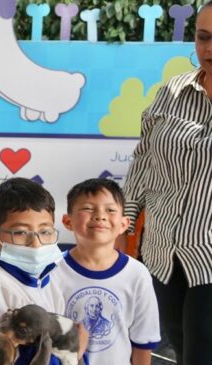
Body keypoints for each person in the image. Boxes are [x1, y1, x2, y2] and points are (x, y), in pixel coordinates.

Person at [122, 2, 212, 363]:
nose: (209, 49)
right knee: (177, 342)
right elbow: (144, 160)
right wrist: (124, 221)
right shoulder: (172, 92)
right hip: (162, 252)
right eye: (203, 38)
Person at [0, 177, 81, 365]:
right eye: (20, 232)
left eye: (45, 232)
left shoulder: (48, 275)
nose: (35, 244)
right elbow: (1, 353)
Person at [53, 178, 160, 365]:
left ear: (124, 224)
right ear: (67, 221)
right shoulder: (52, 270)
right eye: (87, 208)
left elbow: (143, 344)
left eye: (110, 210)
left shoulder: (137, 274)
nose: (100, 216)